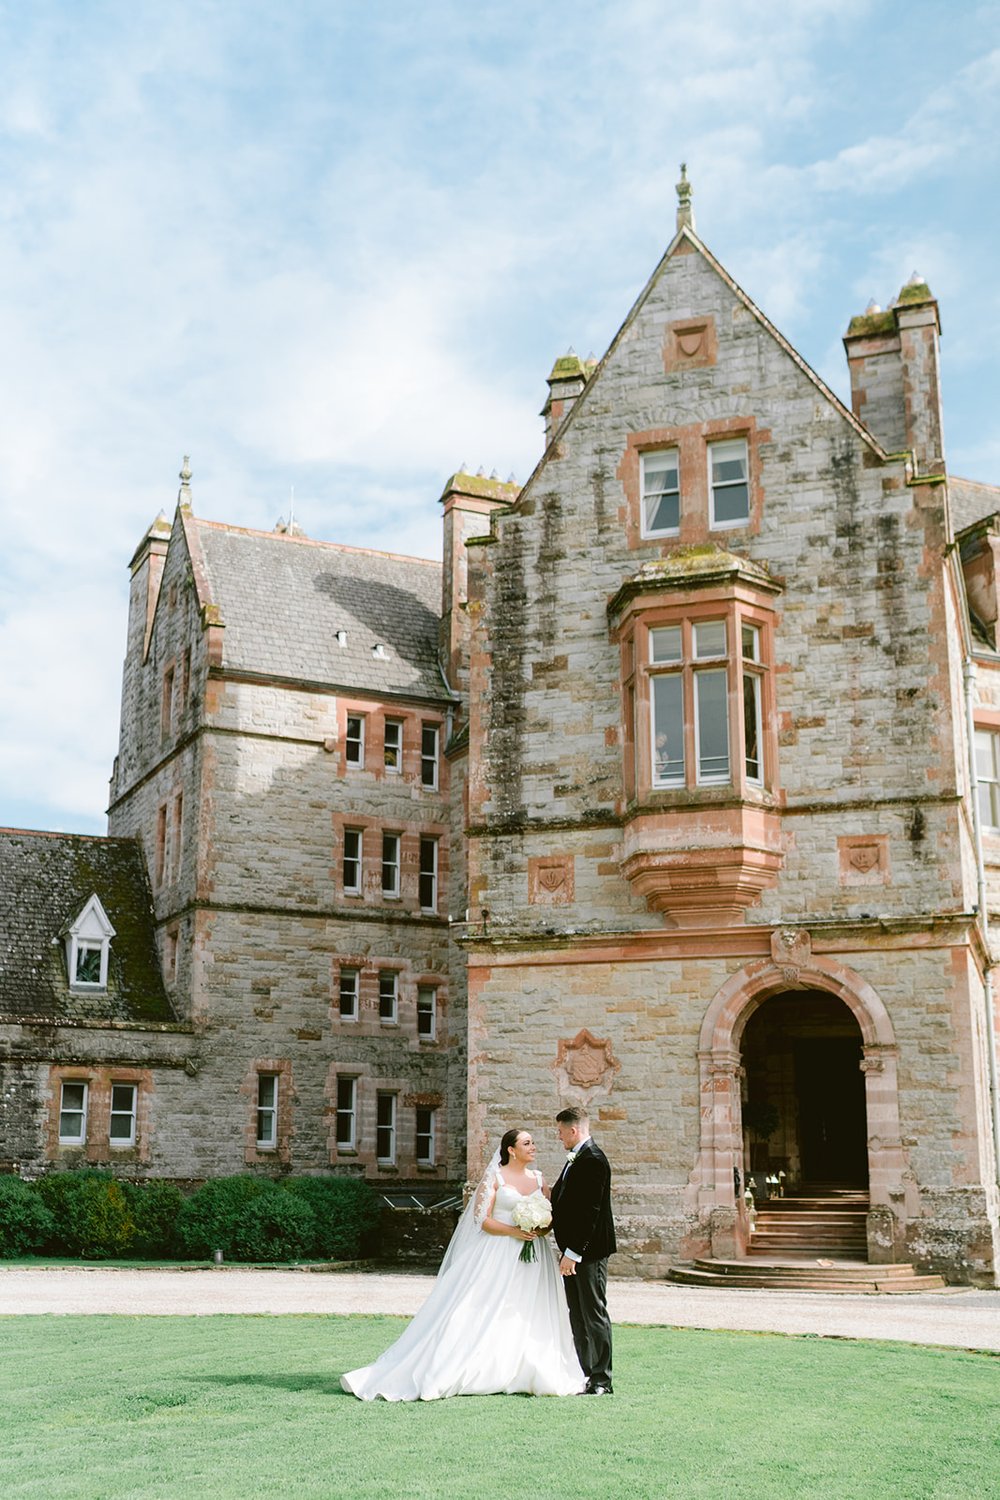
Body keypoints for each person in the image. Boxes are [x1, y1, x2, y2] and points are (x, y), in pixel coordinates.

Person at [341, 1128, 586, 1400]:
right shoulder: (495, 1178)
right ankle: (475, 1367)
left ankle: (523, 1365)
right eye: (527, 1143)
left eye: (533, 1142)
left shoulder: (539, 1179)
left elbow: (550, 1217)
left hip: (534, 1257)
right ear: (511, 1150)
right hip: (498, 1252)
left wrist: (538, 1229)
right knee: (484, 1307)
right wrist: (514, 1231)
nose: (533, 1147)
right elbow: (482, 1221)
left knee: (527, 1310)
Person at [550, 1106, 616, 1395]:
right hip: (571, 1252)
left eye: (561, 1132)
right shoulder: (575, 1159)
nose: (559, 1137)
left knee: (593, 1313)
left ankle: (602, 1379)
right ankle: (586, 1373)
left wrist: (573, 1253)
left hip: (588, 1253)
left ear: (574, 1130)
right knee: (576, 1314)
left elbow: (591, 1211)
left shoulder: (593, 1160)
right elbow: (565, 1199)